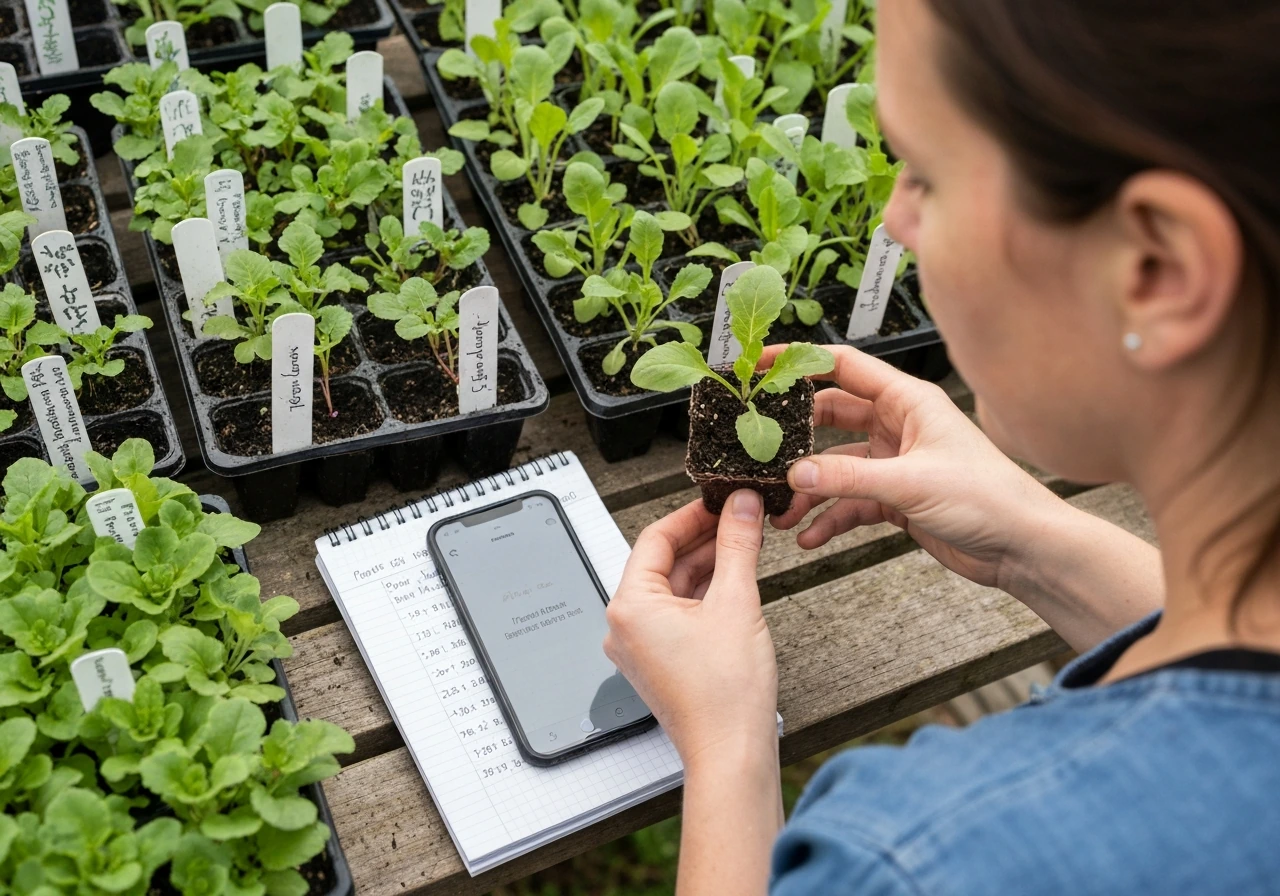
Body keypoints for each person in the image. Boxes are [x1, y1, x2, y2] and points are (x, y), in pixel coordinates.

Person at [601, 0, 1280, 892]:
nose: (891, 221)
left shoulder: (920, 860)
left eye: (924, 173)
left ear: (1158, 271)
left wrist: (729, 749)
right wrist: (1040, 544)